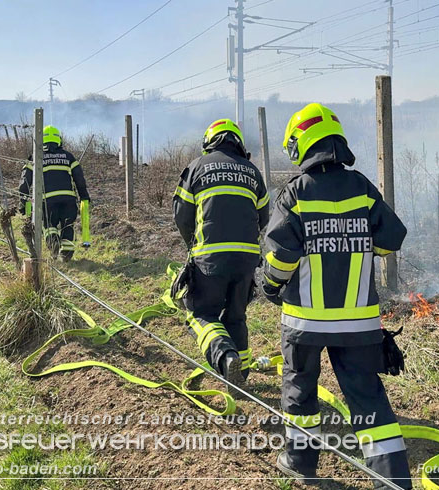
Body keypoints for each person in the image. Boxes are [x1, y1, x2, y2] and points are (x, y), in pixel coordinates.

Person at [261, 103, 410, 488]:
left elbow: (280, 256)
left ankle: (300, 462)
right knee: (368, 400)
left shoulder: (295, 194)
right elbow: (392, 239)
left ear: (300, 146)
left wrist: (270, 286)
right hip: (358, 323)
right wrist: (360, 247)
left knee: (300, 391)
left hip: (304, 322)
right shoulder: (361, 187)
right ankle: (393, 481)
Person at [173, 119, 269, 388]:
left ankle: (225, 356)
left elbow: (182, 216)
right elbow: (264, 217)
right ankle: (239, 378)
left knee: (201, 314)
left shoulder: (197, 167)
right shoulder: (252, 171)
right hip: (247, 259)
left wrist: (192, 246)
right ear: (237, 143)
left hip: (210, 258)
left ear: (209, 143)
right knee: (236, 316)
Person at [19, 125, 90, 261]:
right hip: (68, 199)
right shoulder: (68, 157)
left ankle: (53, 242)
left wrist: (23, 202)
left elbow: (24, 183)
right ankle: (67, 253)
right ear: (59, 140)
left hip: (47, 201)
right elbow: (79, 179)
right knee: (67, 225)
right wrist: (84, 197)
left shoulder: (35, 157)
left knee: (49, 224)